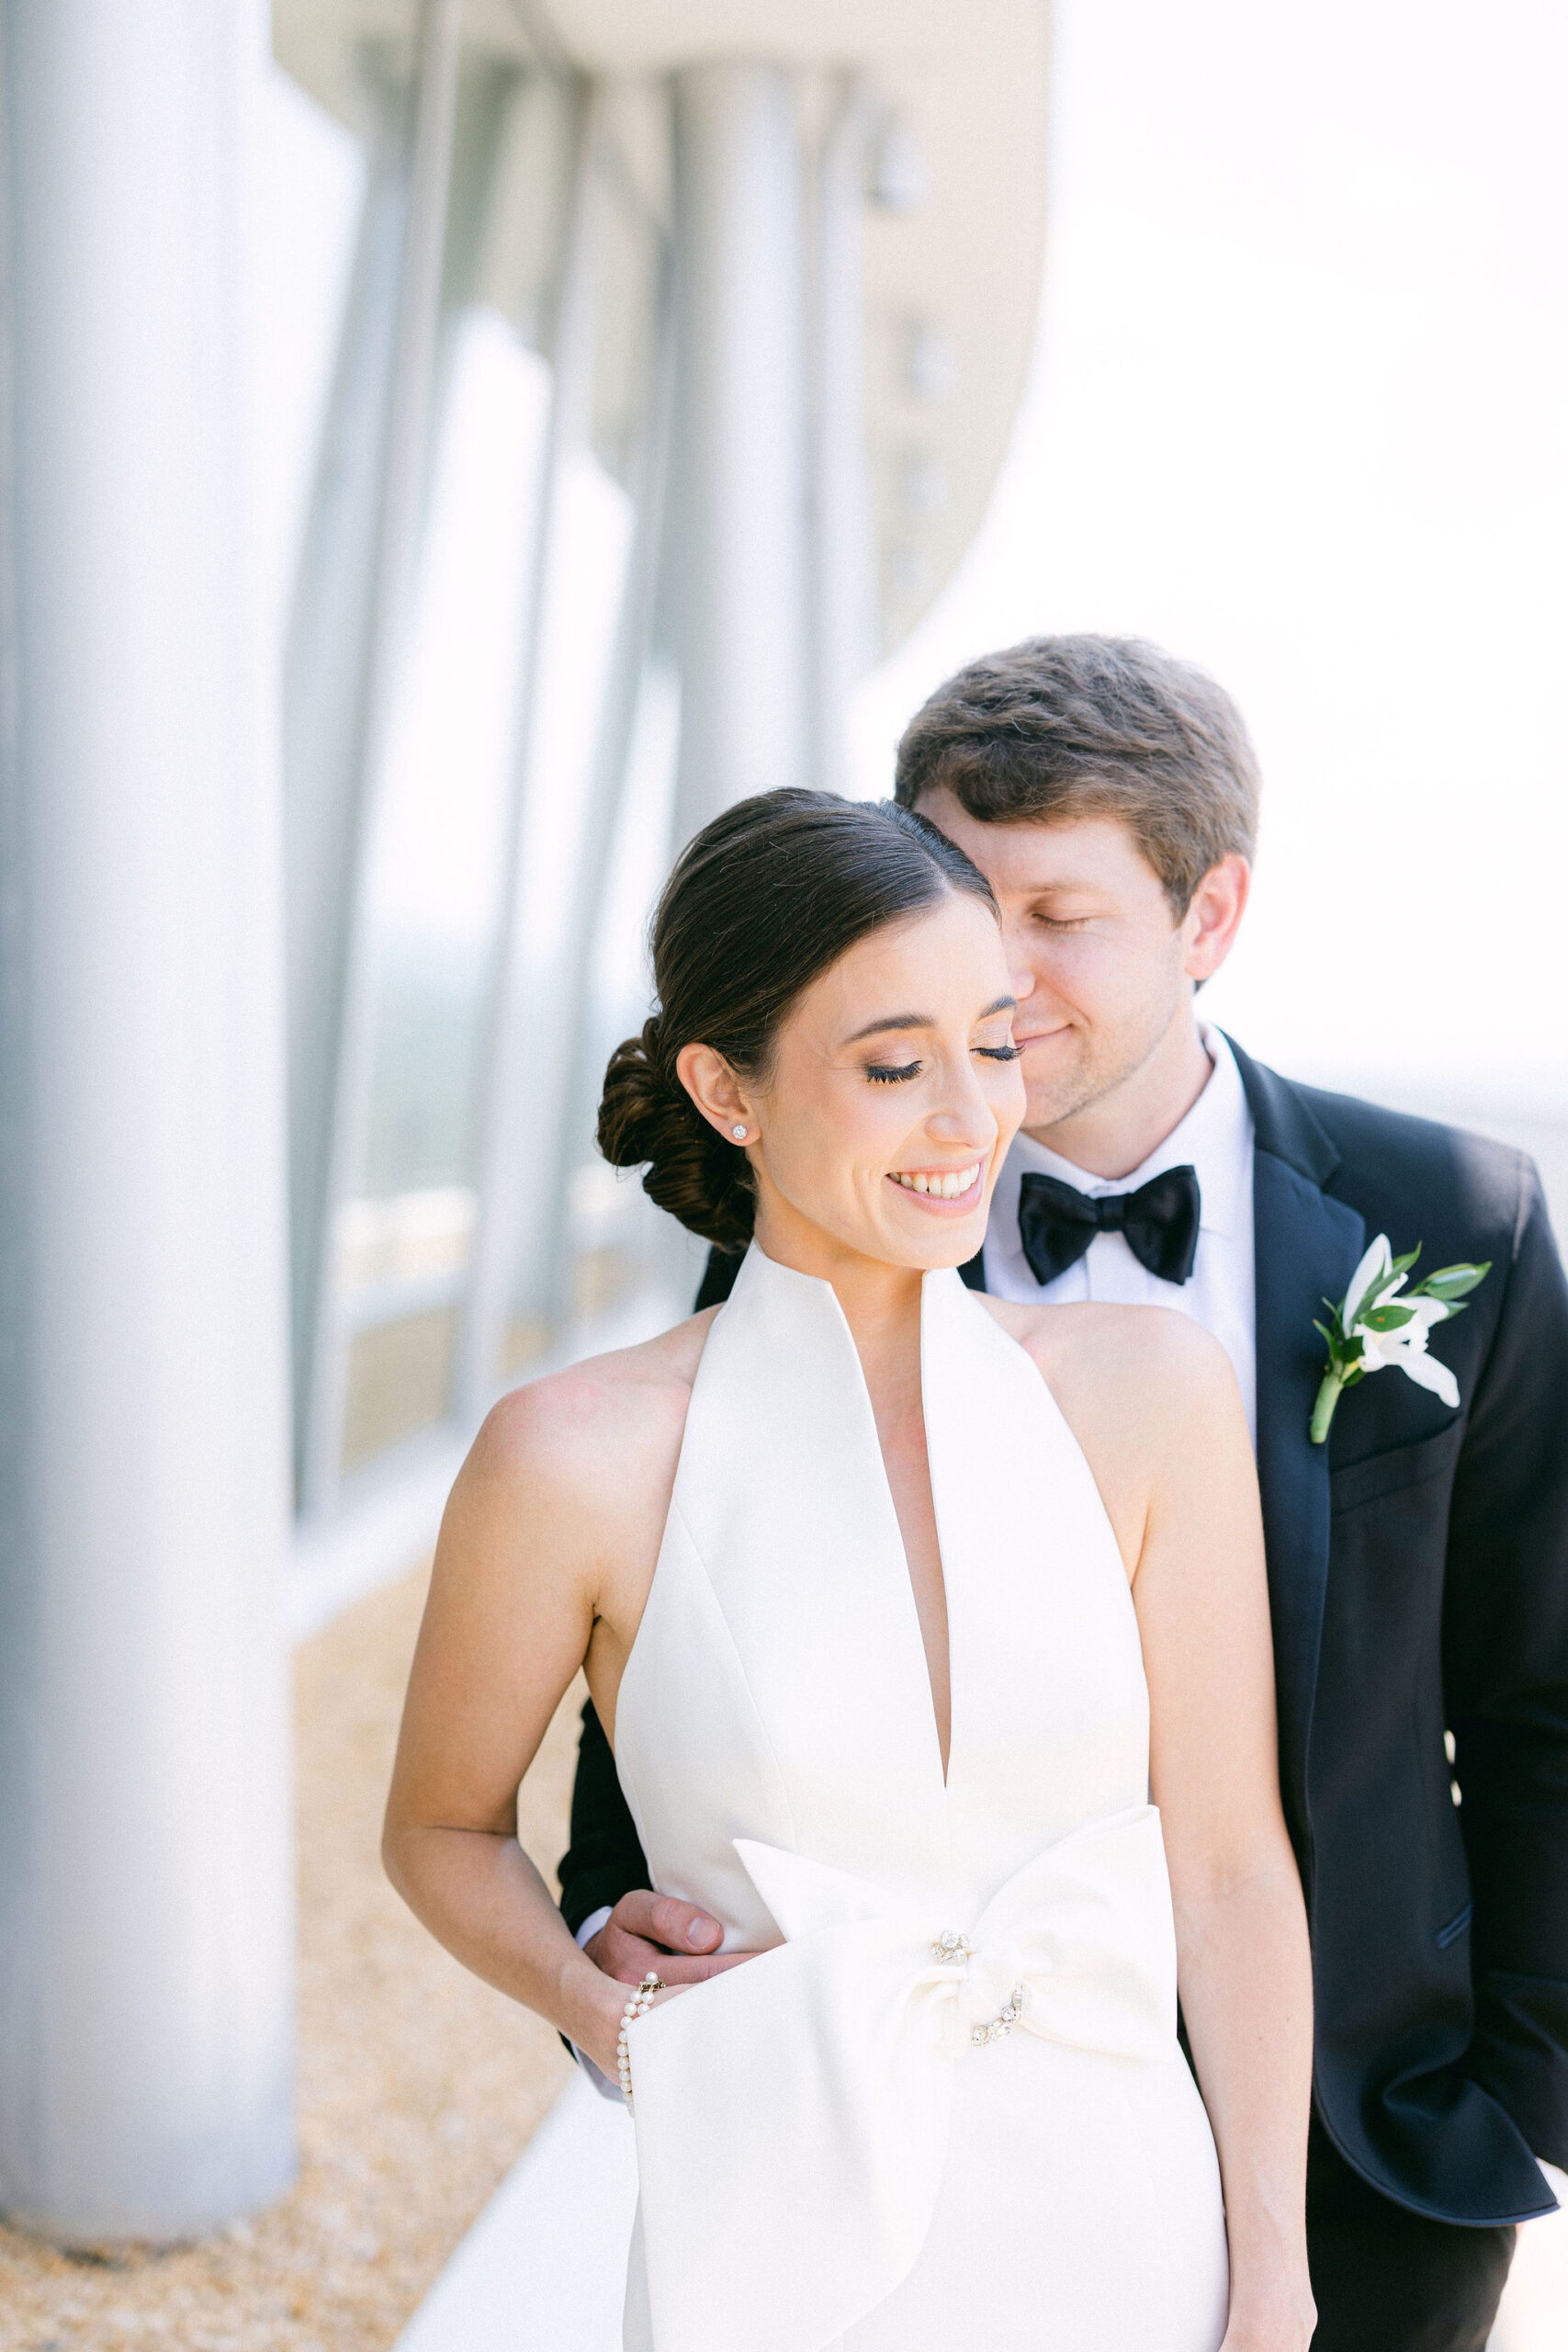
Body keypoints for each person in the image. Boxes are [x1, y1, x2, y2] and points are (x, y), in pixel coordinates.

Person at [563, 638, 1568, 2352]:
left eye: (1061, 915)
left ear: (1212, 916)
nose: (1000, 977)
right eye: (963, 898)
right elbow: (677, 1631)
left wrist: (1517, 2084)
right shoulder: (827, 1215)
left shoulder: (1457, 1219)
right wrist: (608, 1929)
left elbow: (1543, 1690)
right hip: (913, 2142)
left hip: (1360, 2132)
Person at [384, 788, 1315, 2352]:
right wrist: (591, 2001)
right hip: (774, 2245)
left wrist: (1272, 2278)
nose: (972, 1119)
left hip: (1131, 2226)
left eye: (994, 1043)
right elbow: (437, 1831)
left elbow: (1227, 1868)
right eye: (894, 1066)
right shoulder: (572, 1458)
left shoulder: (1149, 1393)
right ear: (726, 1090)